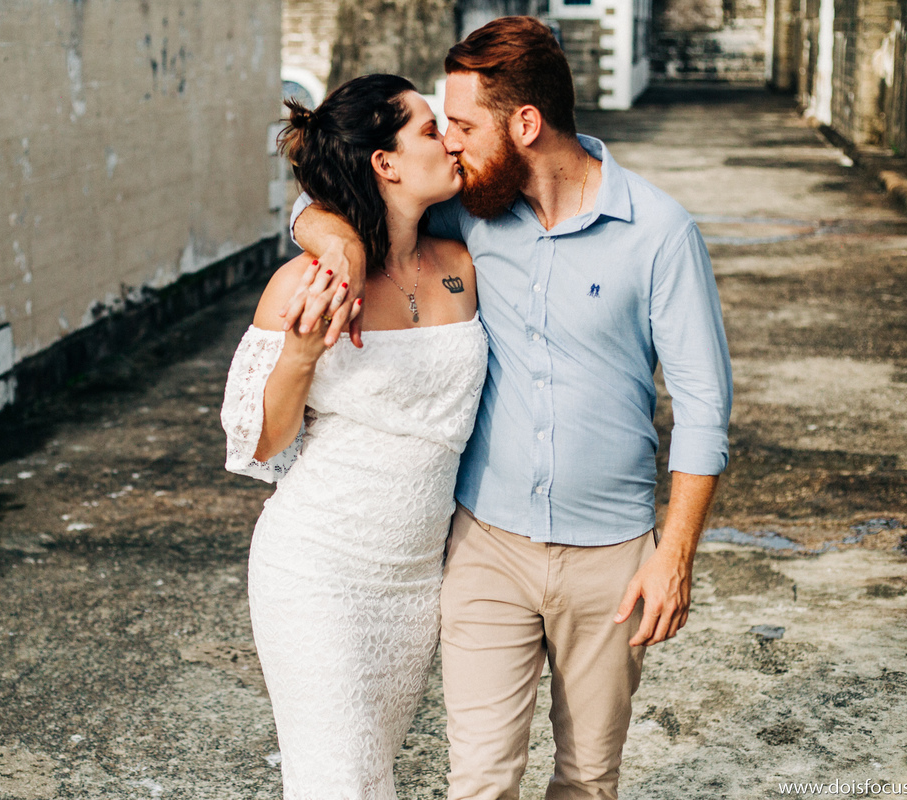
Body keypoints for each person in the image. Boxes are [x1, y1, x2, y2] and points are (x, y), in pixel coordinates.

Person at [285, 17, 733, 800]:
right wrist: (341, 248)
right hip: (487, 549)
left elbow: (703, 408)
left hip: (613, 559)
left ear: (525, 124)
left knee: (589, 779)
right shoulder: (470, 215)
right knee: (480, 781)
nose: (451, 145)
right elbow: (337, 200)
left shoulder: (661, 233)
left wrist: (675, 557)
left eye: (462, 125)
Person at [219, 73, 486, 796]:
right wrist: (303, 352)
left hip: (413, 584)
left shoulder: (461, 263)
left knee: (370, 774)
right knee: (340, 782)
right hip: (319, 572)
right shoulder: (306, 284)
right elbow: (259, 444)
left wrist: (325, 224)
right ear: (386, 162)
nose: (450, 141)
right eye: (430, 130)